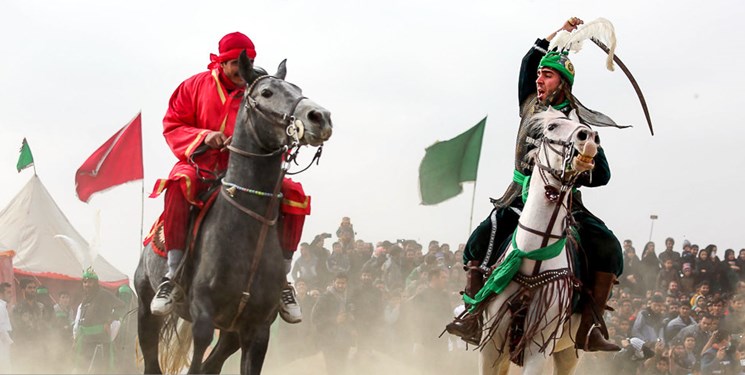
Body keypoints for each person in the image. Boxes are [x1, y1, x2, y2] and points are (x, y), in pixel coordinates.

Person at [448, 16, 623, 352]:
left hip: (564, 203)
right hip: (518, 196)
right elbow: (529, 60)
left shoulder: (579, 123)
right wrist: (560, 32)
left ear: (564, 82)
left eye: (548, 75)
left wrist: (584, 165)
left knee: (608, 248)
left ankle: (589, 328)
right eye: (540, 75)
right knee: (479, 241)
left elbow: (602, 175)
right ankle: (472, 312)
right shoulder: (529, 104)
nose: (539, 79)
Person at [147, 31, 304, 323]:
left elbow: (272, 128)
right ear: (221, 62)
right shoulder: (193, 87)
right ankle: (173, 273)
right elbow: (173, 124)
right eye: (234, 63)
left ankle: (283, 279)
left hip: (248, 171)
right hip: (201, 165)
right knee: (178, 185)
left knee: (294, 193)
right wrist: (206, 136)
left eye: (247, 61)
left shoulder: (259, 89)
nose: (240, 69)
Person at [73, 268, 126, 374]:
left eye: (90, 282)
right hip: (84, 341)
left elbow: (122, 306)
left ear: (96, 283)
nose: (87, 284)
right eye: (85, 282)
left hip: (99, 340)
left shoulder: (104, 295)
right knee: (82, 369)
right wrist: (75, 338)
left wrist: (109, 320)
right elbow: (79, 320)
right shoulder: (85, 298)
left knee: (99, 370)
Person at [0, 282, 13, 373]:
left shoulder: (3, 306)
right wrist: (11, 342)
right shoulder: (0, 307)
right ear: (1, 293)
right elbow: (1, 329)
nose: (11, 295)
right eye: (8, 292)